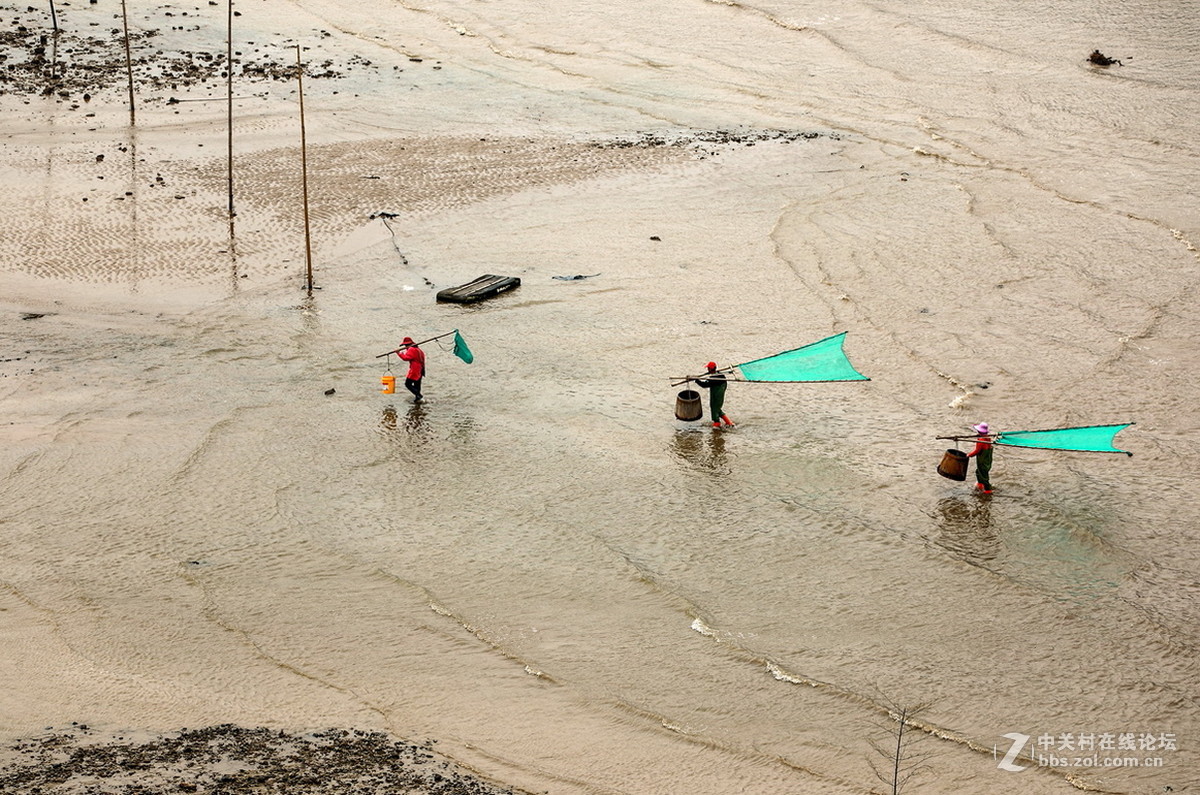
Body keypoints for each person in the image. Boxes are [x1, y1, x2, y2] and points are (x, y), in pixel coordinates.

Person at [696, 362, 734, 428]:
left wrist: (697, 380)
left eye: (708, 368)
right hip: (717, 394)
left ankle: (716, 425)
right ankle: (729, 423)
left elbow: (704, 385)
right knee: (717, 409)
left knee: (715, 409)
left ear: (711, 369)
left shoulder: (715, 379)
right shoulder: (720, 375)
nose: (707, 369)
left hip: (717, 395)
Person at [966, 422, 994, 493]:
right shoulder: (988, 438)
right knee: (979, 472)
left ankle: (988, 490)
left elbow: (977, 451)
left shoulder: (981, 440)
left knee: (983, 476)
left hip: (982, 461)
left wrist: (969, 455)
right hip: (987, 460)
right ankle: (980, 485)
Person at [397, 336, 425, 402]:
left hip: (415, 369)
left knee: (408, 384)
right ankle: (417, 399)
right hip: (421, 369)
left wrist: (399, 353)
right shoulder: (418, 349)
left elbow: (406, 358)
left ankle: (419, 395)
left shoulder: (412, 349)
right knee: (417, 384)